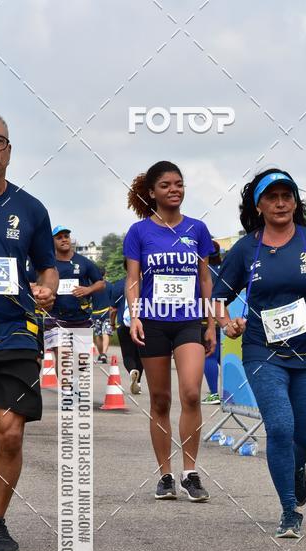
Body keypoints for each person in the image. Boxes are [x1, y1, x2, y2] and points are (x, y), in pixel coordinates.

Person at [212, 168, 306, 538]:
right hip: (263, 351)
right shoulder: (247, 248)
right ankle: (289, 510)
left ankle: (296, 467)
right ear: (258, 205)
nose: (280, 203)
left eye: (287, 196)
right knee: (279, 426)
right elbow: (216, 298)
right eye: (272, 197)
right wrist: (227, 323)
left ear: (295, 201)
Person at [0, 109, 58, 551]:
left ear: (9, 150)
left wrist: (47, 290)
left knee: (9, 432)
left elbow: (48, 268)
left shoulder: (30, 209)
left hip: (13, 332)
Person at [124, 160, 216, 500]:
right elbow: (133, 280)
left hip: (189, 320)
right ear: (152, 192)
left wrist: (210, 323)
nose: (174, 189)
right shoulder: (139, 233)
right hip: (153, 321)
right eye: (166, 185)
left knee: (191, 392)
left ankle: (190, 472)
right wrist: (135, 316)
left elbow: (205, 279)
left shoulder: (198, 229)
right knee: (160, 400)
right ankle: (165, 475)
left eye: (179, 183)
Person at [47, 226, 104, 372]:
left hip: (81, 318)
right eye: (59, 238)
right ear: (52, 241)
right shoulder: (48, 263)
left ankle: (78, 391)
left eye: (66, 236)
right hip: (55, 318)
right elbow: (33, 281)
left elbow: (101, 283)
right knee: (64, 357)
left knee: (82, 362)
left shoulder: (84, 262)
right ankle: (67, 391)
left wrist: (89, 289)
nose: (64, 239)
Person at [109, 264, 143, 395]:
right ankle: (138, 382)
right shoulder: (147, 283)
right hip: (143, 324)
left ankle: (132, 371)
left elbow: (113, 309)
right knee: (141, 355)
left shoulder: (118, 285)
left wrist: (112, 324)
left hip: (124, 325)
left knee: (128, 354)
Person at [202, 241, 222, 404]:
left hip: (206, 318)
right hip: (226, 317)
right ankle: (238, 391)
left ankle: (214, 393)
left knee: (209, 356)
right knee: (225, 356)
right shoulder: (224, 270)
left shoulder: (203, 271)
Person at [91, 266, 113, 363]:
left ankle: (101, 355)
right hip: (107, 312)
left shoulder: (92, 287)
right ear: (105, 274)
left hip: (95, 313)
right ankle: (104, 354)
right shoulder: (110, 286)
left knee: (98, 334)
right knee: (106, 333)